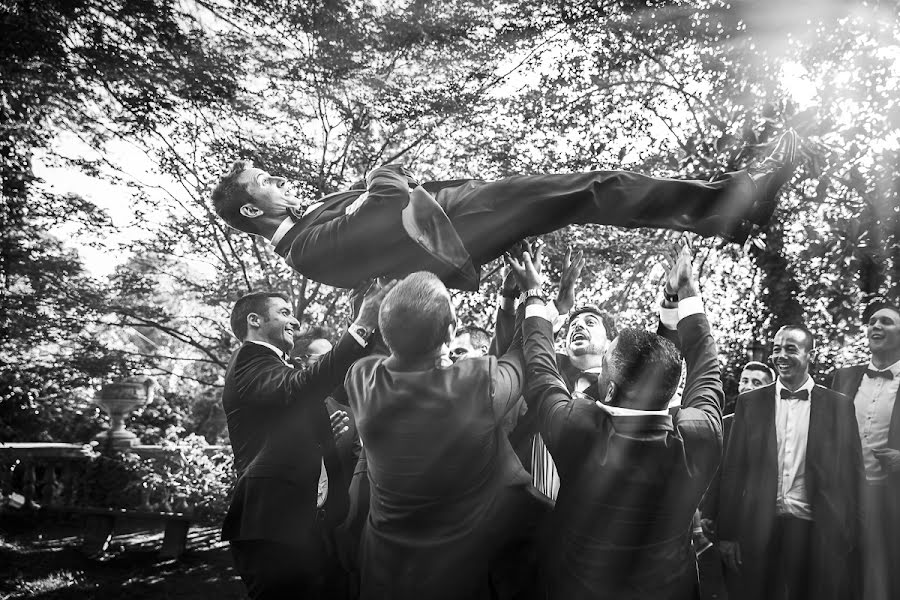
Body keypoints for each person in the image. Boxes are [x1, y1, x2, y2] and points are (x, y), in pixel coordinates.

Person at [210, 132, 798, 290]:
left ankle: (725, 214)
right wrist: (376, 177)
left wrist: (371, 193)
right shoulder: (308, 248)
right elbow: (385, 199)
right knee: (593, 186)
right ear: (249, 210)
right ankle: (730, 200)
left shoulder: (309, 232)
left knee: (586, 196)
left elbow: (372, 209)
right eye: (260, 182)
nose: (273, 180)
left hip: (462, 220)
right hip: (458, 224)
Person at [507, 242, 724, 599]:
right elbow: (705, 367)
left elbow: (540, 370)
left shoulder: (579, 429)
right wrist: (683, 295)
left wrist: (533, 294)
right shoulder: (699, 436)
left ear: (606, 392)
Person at [344, 271, 547, 600]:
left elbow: (389, 344)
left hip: (386, 575)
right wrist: (530, 294)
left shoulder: (362, 377)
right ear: (452, 329)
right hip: (460, 575)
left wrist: (509, 303)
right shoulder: (478, 383)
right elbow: (520, 354)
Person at [220, 284, 391, 599]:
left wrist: (325, 442)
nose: (295, 321)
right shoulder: (249, 359)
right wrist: (361, 324)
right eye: (284, 312)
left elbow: (329, 388)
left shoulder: (277, 371)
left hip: (306, 523)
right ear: (254, 321)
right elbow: (301, 386)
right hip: (272, 523)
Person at [718, 325, 864, 600]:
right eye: (776, 349)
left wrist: (852, 533)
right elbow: (733, 471)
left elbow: (853, 473)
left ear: (810, 354)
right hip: (760, 526)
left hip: (818, 528)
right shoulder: (749, 403)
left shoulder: (839, 406)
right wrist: (727, 534)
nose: (780, 356)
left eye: (790, 349)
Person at [829, 299, 900, 600]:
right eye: (872, 321)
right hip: (845, 497)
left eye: (886, 321)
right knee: (845, 578)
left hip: (892, 500)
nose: (876, 326)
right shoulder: (843, 377)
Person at [696, 360, 774, 600]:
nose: (748, 386)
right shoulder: (724, 423)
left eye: (757, 382)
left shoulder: (778, 426)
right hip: (724, 522)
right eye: (745, 380)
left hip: (763, 525)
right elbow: (715, 473)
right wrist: (707, 513)